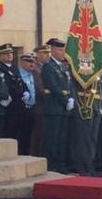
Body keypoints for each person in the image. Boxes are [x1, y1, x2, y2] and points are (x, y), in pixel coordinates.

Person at [40, 38, 74, 173]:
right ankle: (53, 166)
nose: (62, 52)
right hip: (54, 107)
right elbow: (53, 86)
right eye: (59, 50)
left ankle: (61, 165)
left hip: (63, 107)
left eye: (63, 50)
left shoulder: (63, 66)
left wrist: (71, 98)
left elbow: (69, 85)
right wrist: (66, 101)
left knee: (62, 138)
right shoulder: (48, 67)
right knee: (53, 139)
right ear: (52, 50)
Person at [0, 43, 30, 144]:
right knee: (9, 132)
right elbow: (6, 85)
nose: (9, 55)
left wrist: (26, 91)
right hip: (10, 104)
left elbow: (21, 82)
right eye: (6, 54)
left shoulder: (14, 68)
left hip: (19, 104)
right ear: (1, 55)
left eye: (10, 53)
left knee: (20, 133)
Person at [29, 45, 50, 157]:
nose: (47, 55)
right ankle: (36, 156)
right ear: (37, 55)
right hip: (39, 105)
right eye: (44, 53)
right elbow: (38, 86)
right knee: (38, 134)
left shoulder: (48, 67)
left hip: (47, 105)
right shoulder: (35, 70)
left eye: (48, 53)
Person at [16, 54, 38, 155]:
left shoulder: (35, 75)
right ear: (22, 62)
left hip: (34, 108)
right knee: (21, 135)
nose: (32, 64)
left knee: (31, 135)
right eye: (29, 62)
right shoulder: (17, 74)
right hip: (21, 109)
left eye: (33, 62)